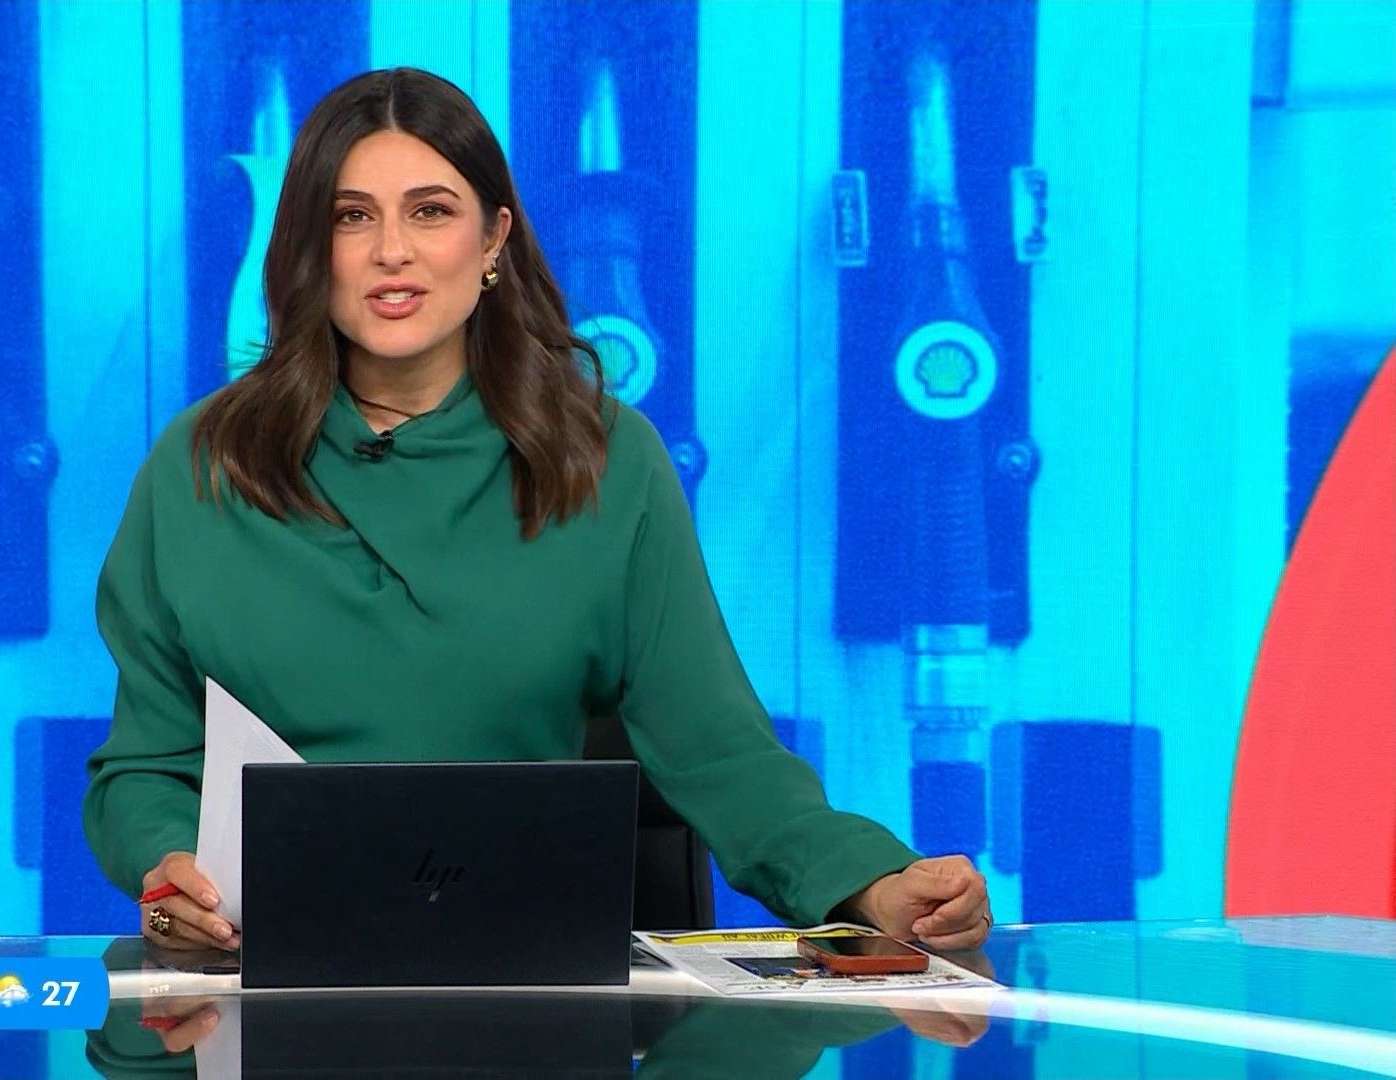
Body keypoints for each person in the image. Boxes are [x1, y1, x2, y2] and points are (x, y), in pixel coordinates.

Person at [84, 67, 990, 957]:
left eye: (430, 212)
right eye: (351, 216)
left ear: (493, 241)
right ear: (307, 250)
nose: (391, 250)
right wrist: (171, 875)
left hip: (526, 978)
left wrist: (872, 881)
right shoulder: (203, 465)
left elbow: (722, 754)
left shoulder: (603, 458)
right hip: (267, 969)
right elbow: (143, 770)